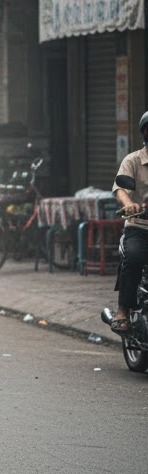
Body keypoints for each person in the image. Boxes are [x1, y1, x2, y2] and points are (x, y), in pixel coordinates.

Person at [111, 110, 148, 333]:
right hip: (139, 227)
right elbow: (121, 188)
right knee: (134, 259)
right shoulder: (133, 160)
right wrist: (128, 204)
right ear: (145, 132)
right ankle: (123, 311)